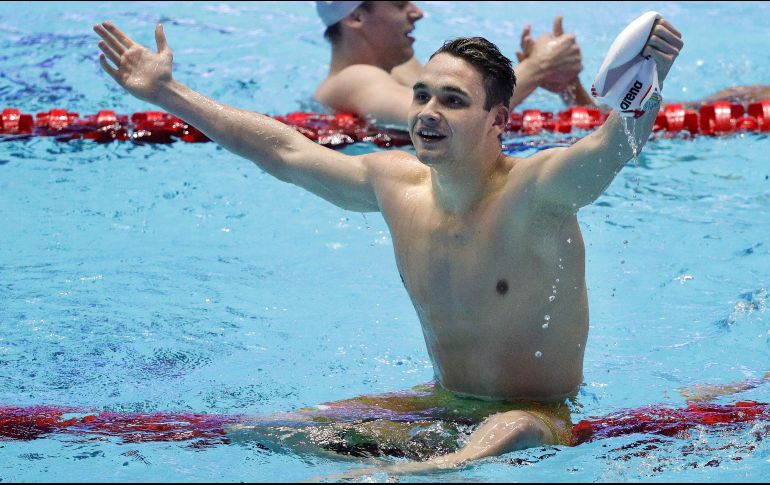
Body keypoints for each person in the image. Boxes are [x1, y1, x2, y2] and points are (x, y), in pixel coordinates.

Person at [93, 13, 683, 472]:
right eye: (423, 95)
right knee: (271, 429)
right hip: (443, 403)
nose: (428, 112)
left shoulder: (538, 192)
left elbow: (612, 146)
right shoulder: (396, 184)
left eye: (453, 101)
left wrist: (648, 77)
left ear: (499, 121)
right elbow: (286, 151)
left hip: (542, 415)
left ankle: (428, 473)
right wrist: (167, 93)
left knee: (513, 432)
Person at [314, 1, 593, 126]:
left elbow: (594, 123)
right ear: (356, 18)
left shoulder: (403, 68)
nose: (418, 12)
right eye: (400, 4)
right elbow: (433, 118)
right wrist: (538, 66)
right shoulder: (352, 79)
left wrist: (569, 86)